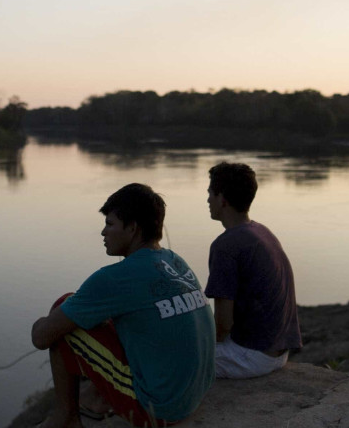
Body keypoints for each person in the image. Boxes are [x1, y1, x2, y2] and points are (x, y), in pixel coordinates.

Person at [31, 183, 214, 428]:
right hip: (194, 396)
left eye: (109, 224)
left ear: (132, 229)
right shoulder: (174, 261)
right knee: (99, 314)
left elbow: (41, 338)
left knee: (64, 308)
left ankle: (66, 417)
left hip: (158, 410)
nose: (103, 233)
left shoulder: (115, 277)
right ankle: (94, 400)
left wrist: (43, 322)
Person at [204, 162, 301, 379]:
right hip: (279, 352)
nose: (207, 199)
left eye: (210, 193)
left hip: (252, 357)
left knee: (172, 355)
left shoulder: (225, 245)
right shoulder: (261, 231)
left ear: (222, 199)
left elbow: (222, 326)